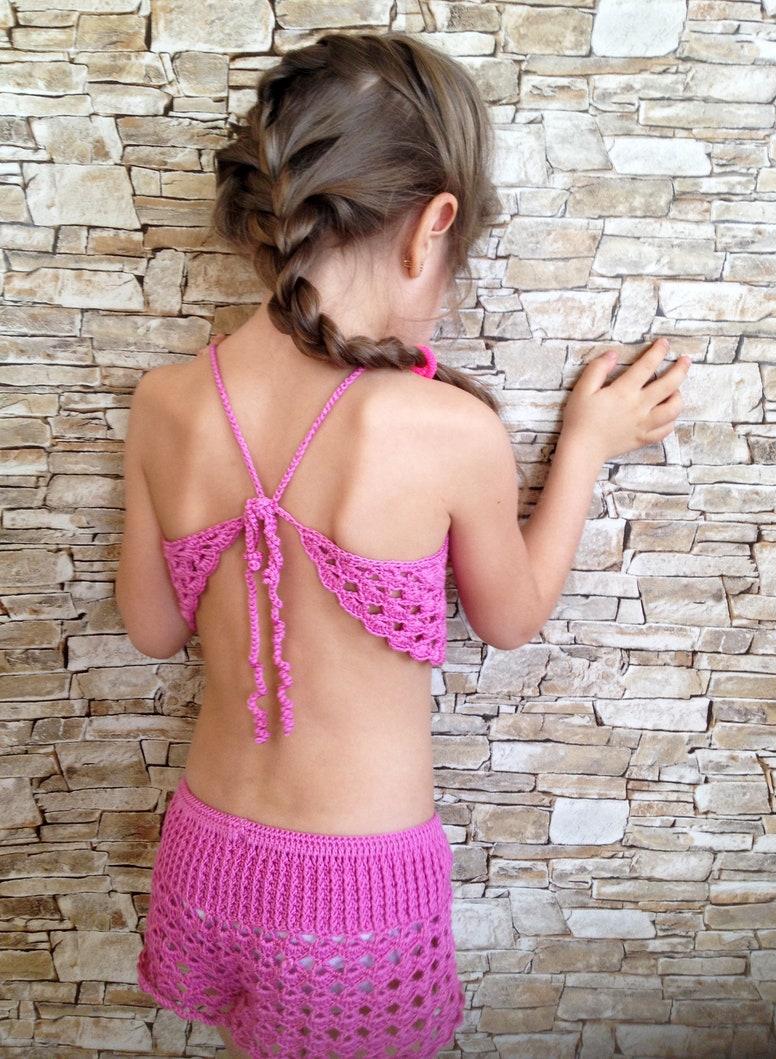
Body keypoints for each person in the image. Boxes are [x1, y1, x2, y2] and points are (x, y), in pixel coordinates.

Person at [116, 30, 690, 1059]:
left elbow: (152, 628)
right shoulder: (441, 430)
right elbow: (510, 616)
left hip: (206, 855)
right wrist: (585, 445)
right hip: (355, 893)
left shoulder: (166, 402)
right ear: (431, 228)